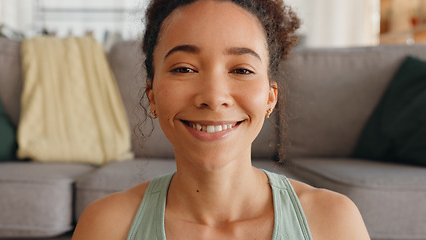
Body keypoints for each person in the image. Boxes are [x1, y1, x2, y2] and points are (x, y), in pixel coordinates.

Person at [72, 0, 371, 239]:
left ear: (270, 97)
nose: (214, 98)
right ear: (151, 95)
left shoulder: (334, 222)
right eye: (184, 69)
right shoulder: (106, 226)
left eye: (241, 69)